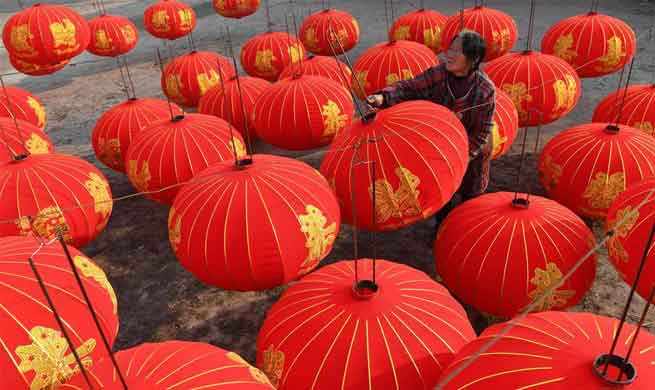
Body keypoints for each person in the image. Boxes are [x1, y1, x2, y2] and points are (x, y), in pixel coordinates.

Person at [366, 29, 496, 230]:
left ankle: (468, 228)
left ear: (474, 58)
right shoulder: (439, 74)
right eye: (449, 49)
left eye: (457, 51)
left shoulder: (485, 90)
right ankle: (442, 227)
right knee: (443, 191)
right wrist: (383, 97)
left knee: (471, 194)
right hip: (441, 146)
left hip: (473, 150)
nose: (449, 55)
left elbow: (481, 132)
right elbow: (409, 87)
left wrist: (462, 157)